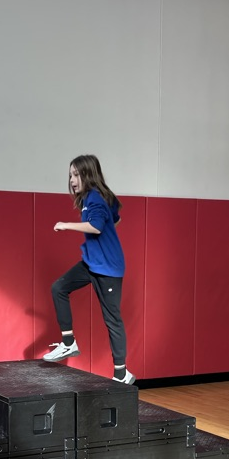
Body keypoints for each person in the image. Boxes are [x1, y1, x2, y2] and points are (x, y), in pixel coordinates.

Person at [43, 155, 135, 384]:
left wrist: (66, 225)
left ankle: (122, 374)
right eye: (70, 175)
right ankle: (68, 343)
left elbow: (95, 226)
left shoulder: (94, 198)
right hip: (91, 262)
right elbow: (115, 218)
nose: (73, 180)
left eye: (77, 175)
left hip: (108, 268)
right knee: (59, 287)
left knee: (112, 319)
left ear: (88, 175)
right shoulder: (98, 196)